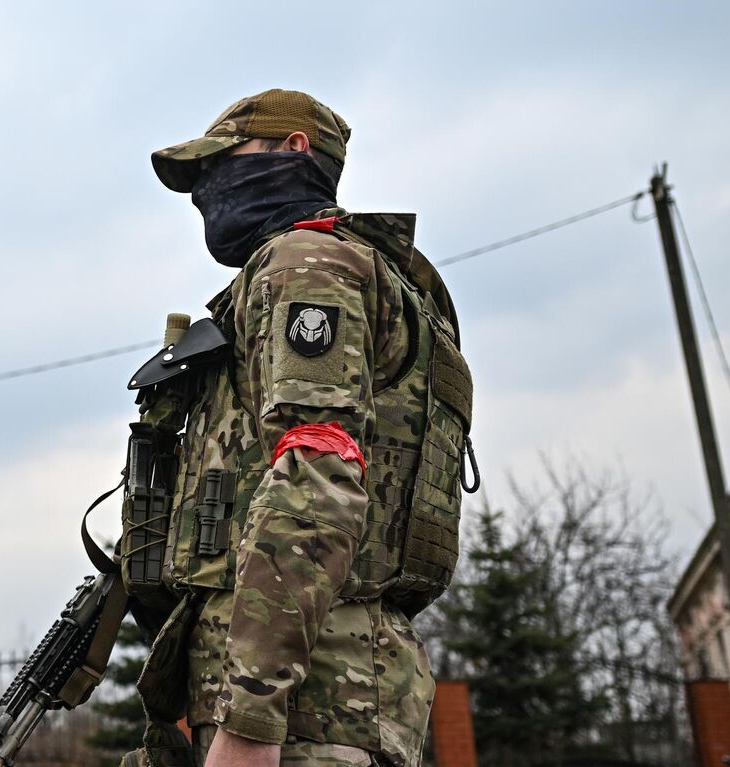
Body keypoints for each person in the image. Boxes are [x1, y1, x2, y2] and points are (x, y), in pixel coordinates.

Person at [122, 89, 474, 767]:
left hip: (308, 710)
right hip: (311, 699)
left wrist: (251, 717)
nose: (210, 189)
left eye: (226, 162)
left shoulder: (305, 266)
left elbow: (318, 472)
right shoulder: (316, 271)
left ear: (296, 150)